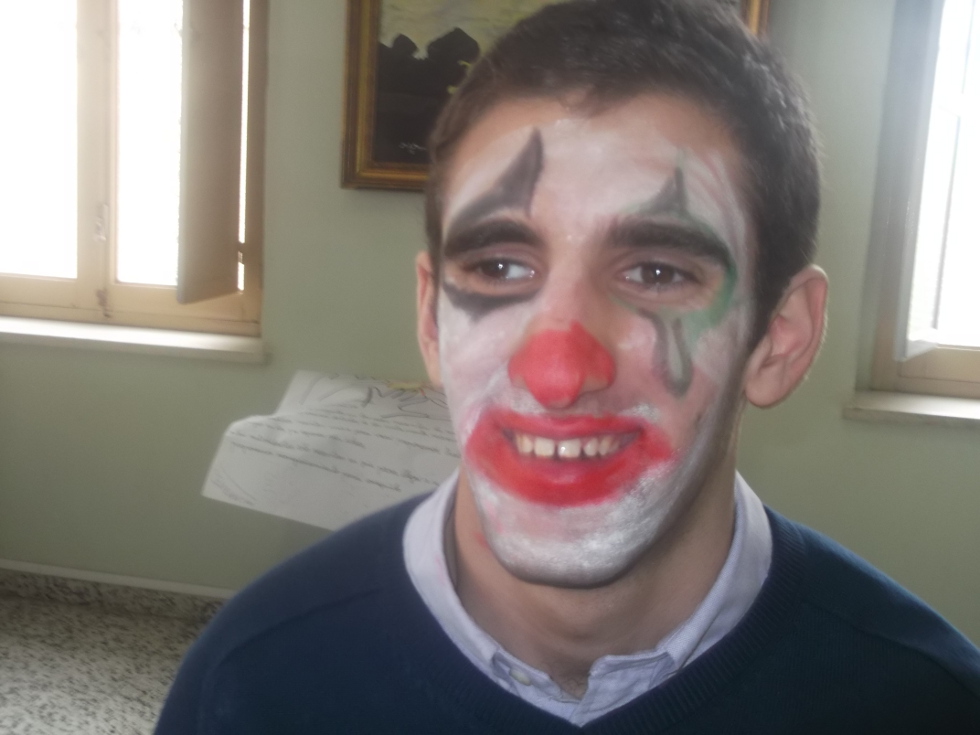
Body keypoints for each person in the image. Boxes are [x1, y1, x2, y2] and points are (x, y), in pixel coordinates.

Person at [156, 0, 980, 732]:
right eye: (499, 266)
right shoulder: (252, 685)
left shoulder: (927, 705)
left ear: (780, 338)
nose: (556, 373)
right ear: (432, 321)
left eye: (656, 272)